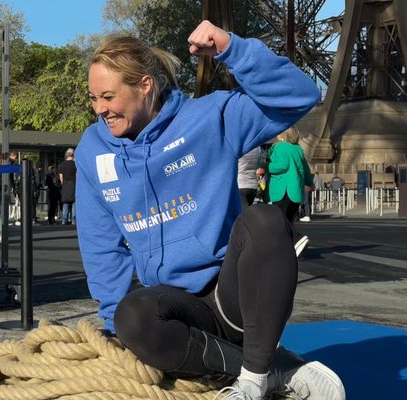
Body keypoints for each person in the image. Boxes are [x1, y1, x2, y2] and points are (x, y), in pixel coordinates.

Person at [75, 20, 344, 400]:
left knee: (265, 220)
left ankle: (252, 379)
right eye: (93, 98)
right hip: (177, 308)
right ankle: (275, 368)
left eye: (108, 96)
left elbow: (299, 96)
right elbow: (100, 243)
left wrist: (233, 49)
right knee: (130, 316)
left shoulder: (209, 118)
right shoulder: (93, 150)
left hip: (232, 297)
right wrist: (111, 324)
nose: (100, 109)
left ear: (145, 85)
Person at [267, 127, 314, 256]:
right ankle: (287, 248)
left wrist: (266, 166)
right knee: (288, 219)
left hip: (283, 189)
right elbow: (306, 169)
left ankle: (297, 238)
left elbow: (281, 165)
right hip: (295, 191)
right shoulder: (298, 150)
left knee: (279, 220)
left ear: (282, 136)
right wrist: (309, 183)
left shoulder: (280, 147)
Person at [58, 148, 76, 224]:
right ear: (73, 154)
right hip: (74, 184)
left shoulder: (61, 165)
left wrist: (64, 183)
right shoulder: (76, 164)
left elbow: (61, 178)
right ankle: (73, 220)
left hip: (65, 185)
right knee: (74, 203)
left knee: (65, 203)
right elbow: (77, 175)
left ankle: (64, 220)